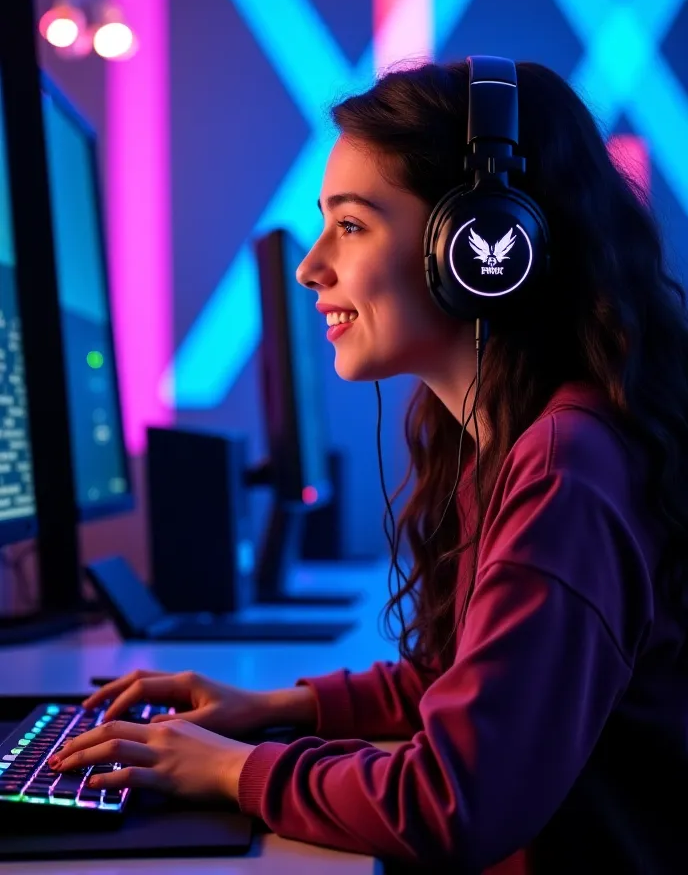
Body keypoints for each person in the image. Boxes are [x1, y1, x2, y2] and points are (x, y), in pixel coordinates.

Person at [51, 60, 688, 873]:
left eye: (351, 226)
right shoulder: (513, 440)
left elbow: (456, 800)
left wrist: (227, 769)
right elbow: (465, 681)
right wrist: (277, 707)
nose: (312, 267)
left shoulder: (568, 469)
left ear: (480, 247)